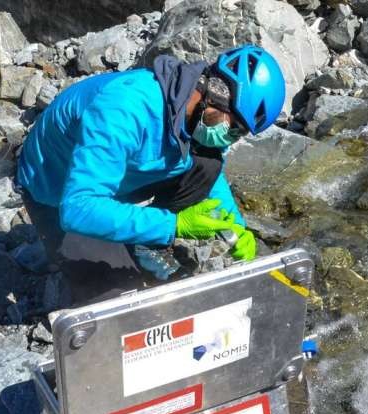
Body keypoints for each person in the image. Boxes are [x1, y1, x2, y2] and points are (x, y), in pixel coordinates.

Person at [16, 45, 287, 303]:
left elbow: (210, 180)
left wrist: (237, 228)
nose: (231, 139)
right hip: (57, 194)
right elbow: (78, 209)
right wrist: (173, 225)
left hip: (120, 179)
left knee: (208, 164)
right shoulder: (125, 108)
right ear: (213, 95)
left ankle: (144, 243)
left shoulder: (193, 111)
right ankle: (144, 234)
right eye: (235, 128)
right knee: (120, 299)